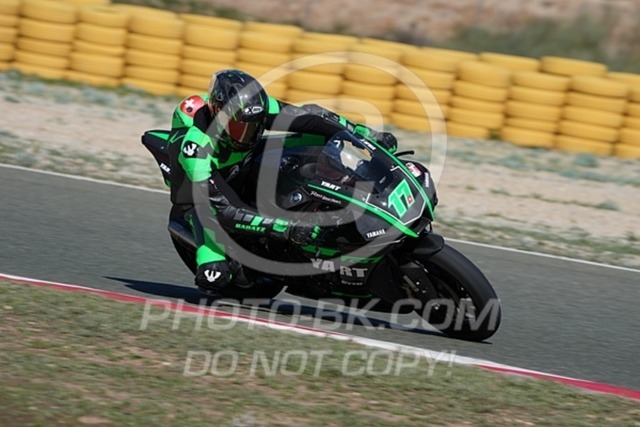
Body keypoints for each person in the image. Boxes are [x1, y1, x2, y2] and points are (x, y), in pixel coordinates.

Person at [167, 69, 398, 295]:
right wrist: (287, 228)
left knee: (310, 138)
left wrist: (362, 135)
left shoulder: (254, 109)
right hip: (202, 196)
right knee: (214, 275)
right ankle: (212, 256)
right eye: (239, 128)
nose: (248, 134)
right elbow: (223, 209)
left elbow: (310, 118)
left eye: (255, 126)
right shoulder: (197, 148)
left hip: (242, 165)